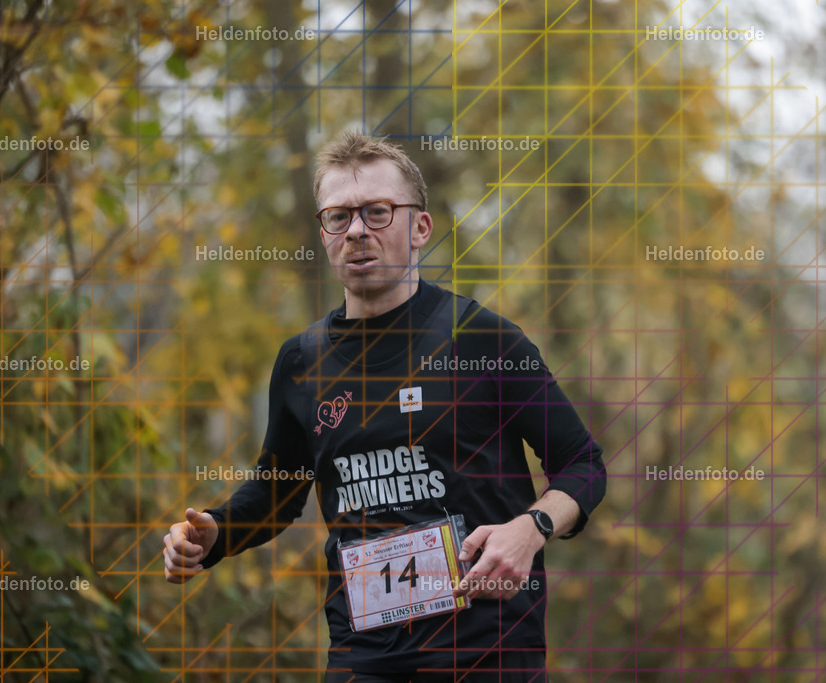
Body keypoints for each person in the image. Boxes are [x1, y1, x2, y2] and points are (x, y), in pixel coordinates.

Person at [163, 131, 606, 682]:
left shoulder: (481, 339)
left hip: (487, 653)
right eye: (337, 217)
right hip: (363, 657)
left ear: (419, 227)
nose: (355, 231)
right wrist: (216, 533)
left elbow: (583, 464)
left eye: (377, 212)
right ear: (323, 233)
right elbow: (278, 491)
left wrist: (532, 526)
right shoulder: (302, 362)